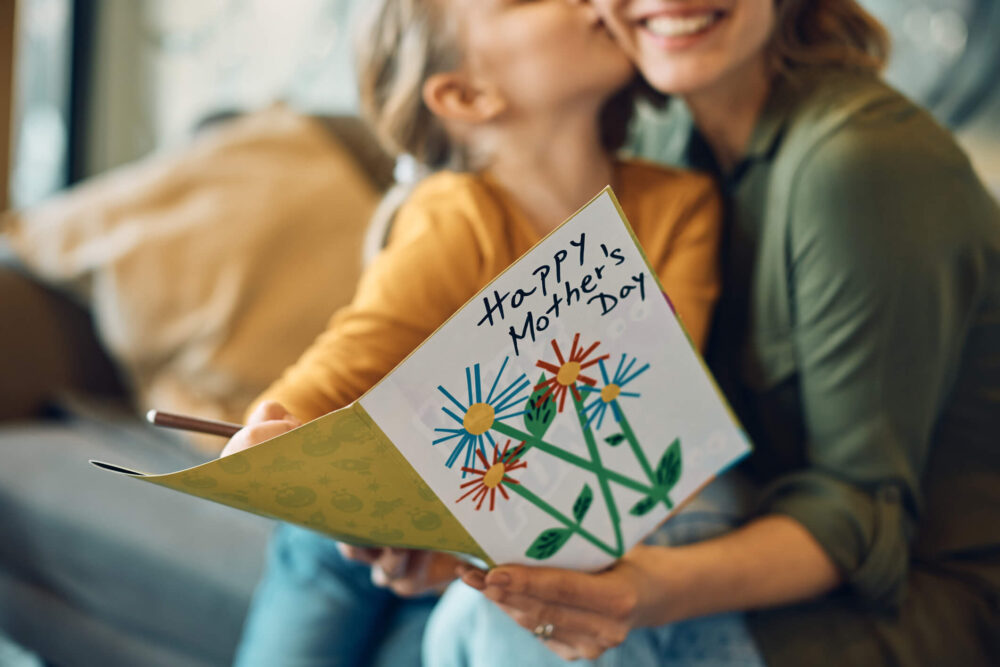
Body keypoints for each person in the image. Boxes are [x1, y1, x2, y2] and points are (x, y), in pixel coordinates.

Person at [423, 0, 1000, 665]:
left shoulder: (860, 163)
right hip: (747, 536)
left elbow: (859, 517)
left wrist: (638, 591)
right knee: (440, 610)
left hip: (899, 609)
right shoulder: (665, 143)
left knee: (501, 630)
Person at [224, 0, 727, 664]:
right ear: (466, 94)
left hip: (492, 537)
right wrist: (270, 439)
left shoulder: (681, 208)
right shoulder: (455, 217)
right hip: (353, 538)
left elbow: (654, 418)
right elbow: (319, 388)